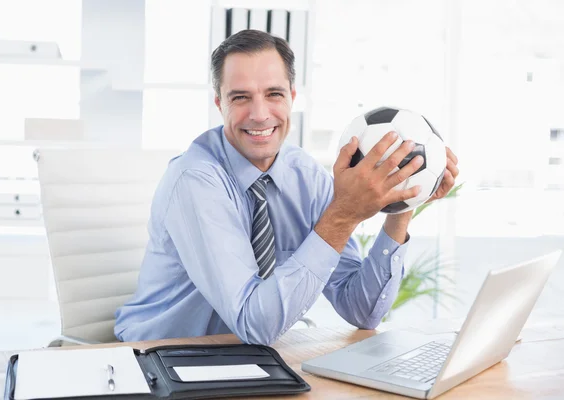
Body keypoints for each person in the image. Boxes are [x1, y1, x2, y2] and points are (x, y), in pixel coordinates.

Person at [114, 29, 459, 345]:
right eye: (240, 98)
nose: (260, 114)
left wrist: (402, 204)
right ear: (219, 103)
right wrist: (341, 216)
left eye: (274, 94)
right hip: (158, 361)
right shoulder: (197, 181)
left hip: (246, 364)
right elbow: (254, 324)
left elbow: (362, 310)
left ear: (292, 97)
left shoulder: (305, 176)